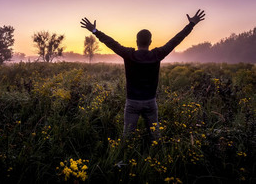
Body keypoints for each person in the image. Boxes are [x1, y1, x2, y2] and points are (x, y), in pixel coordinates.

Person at [80, 10, 205, 142]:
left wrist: (94, 31)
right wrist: (191, 24)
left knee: (127, 139)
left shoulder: (129, 54)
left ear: (136, 41)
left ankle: (125, 158)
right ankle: (155, 156)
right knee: (155, 138)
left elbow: (111, 42)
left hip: (132, 102)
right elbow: (175, 41)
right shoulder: (157, 54)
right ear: (150, 41)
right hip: (150, 103)